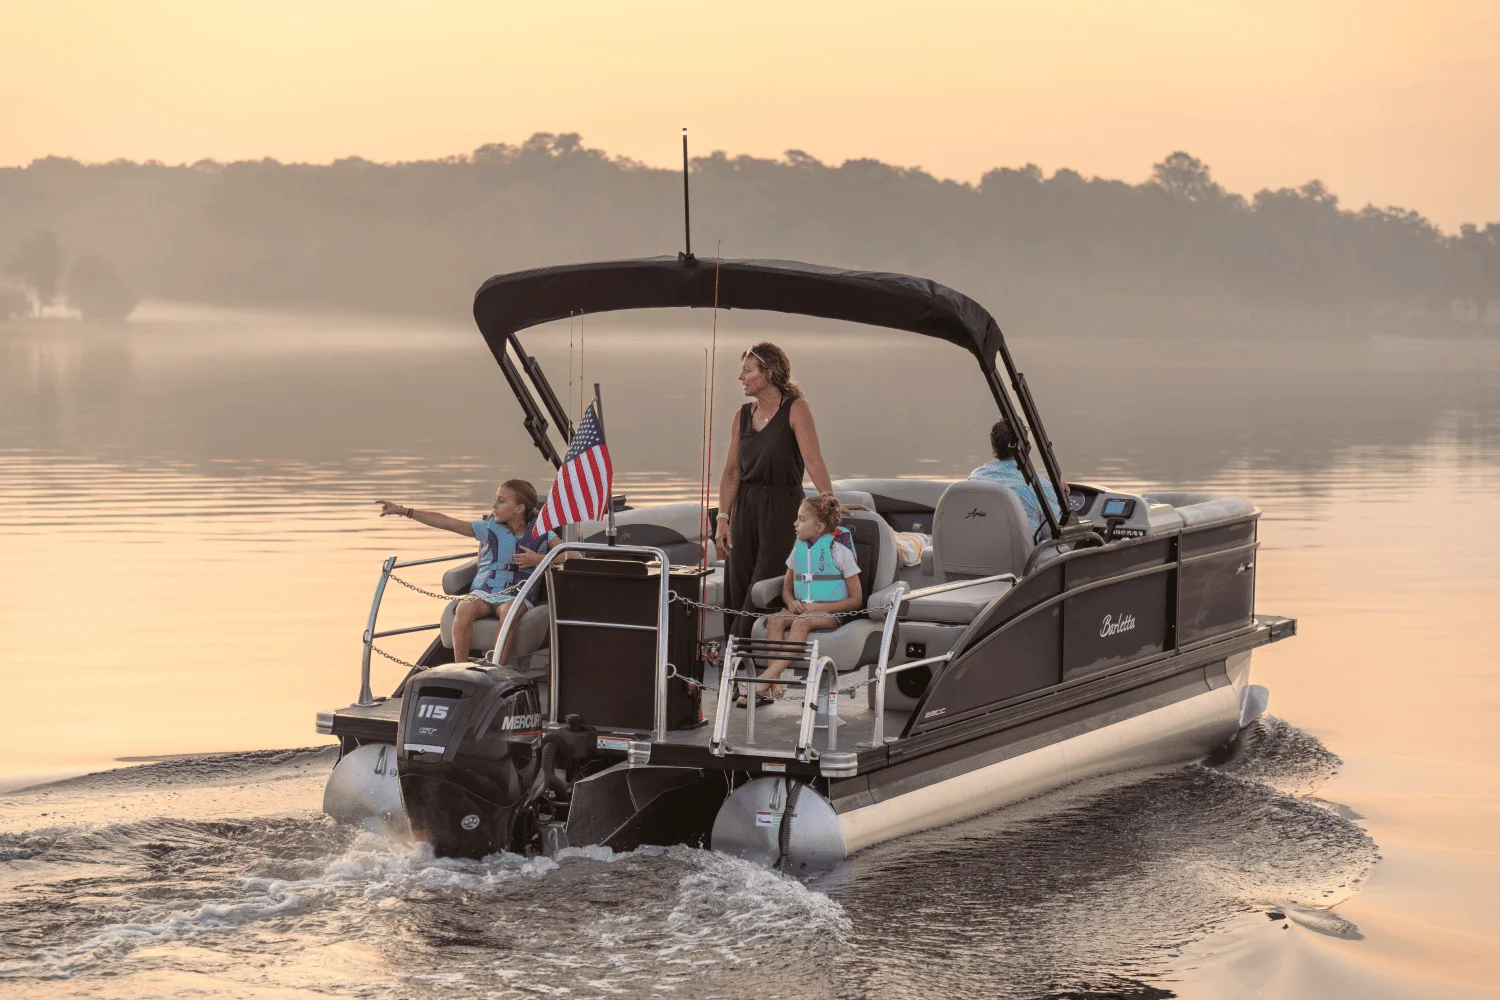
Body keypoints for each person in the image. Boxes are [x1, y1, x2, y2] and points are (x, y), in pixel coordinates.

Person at [714, 342, 837, 639]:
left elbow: (813, 460)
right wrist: (722, 518)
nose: (741, 377)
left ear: (768, 373)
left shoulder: (795, 409)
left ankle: (746, 650)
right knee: (736, 585)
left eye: (747, 371)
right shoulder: (742, 415)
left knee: (765, 583)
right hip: (744, 508)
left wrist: (829, 500)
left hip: (782, 509)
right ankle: (735, 658)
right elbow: (731, 472)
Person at [376, 479, 563, 664]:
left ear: (519, 509)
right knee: (465, 608)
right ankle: (461, 667)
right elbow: (447, 523)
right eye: (496, 499)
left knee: (509, 613)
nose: (494, 505)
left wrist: (538, 559)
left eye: (501, 501)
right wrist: (404, 511)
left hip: (516, 595)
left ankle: (496, 668)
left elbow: (571, 553)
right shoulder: (487, 528)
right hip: (485, 593)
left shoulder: (543, 532)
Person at [743, 495, 864, 704]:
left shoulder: (839, 552)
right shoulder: (798, 549)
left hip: (832, 615)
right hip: (802, 610)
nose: (795, 524)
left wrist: (820, 608)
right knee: (775, 620)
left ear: (818, 527)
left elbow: (856, 600)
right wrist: (790, 601)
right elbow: (787, 588)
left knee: (801, 622)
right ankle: (776, 680)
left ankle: (767, 677)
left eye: (801, 519)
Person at [969, 419, 1064, 537]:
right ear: (1025, 447)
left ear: (993, 448)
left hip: (979, 545)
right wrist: (1055, 496)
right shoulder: (1040, 486)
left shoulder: (975, 477)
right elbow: (1052, 533)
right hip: (1022, 549)